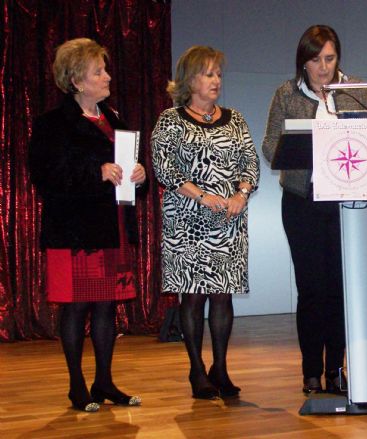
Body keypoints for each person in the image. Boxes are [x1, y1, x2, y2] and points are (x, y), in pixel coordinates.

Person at [28, 38, 145, 412]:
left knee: (108, 306)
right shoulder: (53, 124)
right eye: (99, 71)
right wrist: (94, 172)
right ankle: (77, 385)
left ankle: (104, 382)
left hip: (112, 227)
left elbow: (126, 176)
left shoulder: (114, 120)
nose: (108, 75)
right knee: (76, 308)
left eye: (105, 69)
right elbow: (45, 176)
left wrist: (140, 176)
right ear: (78, 81)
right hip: (75, 232)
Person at [262, 25, 367, 394]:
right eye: (315, 60)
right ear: (303, 62)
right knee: (311, 289)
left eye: (329, 58)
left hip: (345, 203)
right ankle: (311, 371)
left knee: (340, 289)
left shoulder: (356, 92)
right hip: (301, 202)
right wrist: (300, 149)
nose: (323, 67)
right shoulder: (286, 93)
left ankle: (336, 370)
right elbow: (269, 146)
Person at [152, 46, 259, 399]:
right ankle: (197, 370)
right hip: (187, 223)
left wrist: (240, 195)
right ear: (189, 80)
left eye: (218, 74)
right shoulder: (170, 120)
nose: (216, 80)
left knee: (223, 297)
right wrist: (201, 195)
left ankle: (221, 369)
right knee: (193, 298)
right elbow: (164, 167)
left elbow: (250, 164)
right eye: (208, 74)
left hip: (228, 222)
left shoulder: (236, 119)